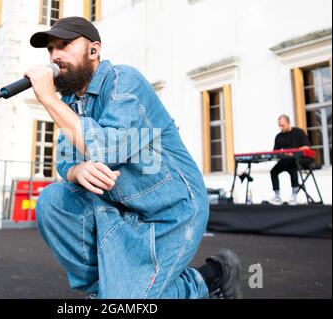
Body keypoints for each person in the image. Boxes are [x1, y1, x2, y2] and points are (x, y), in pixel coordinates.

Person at [26, 17, 242, 299]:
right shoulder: (69, 105)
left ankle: (209, 278)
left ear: (94, 50)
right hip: (120, 208)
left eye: (64, 45)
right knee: (53, 202)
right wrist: (76, 171)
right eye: (51, 49)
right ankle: (108, 291)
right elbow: (65, 160)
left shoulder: (124, 81)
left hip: (171, 210)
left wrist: (48, 99)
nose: (55, 56)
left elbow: (108, 148)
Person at [269, 115, 310, 206]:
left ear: (288, 123)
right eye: (279, 125)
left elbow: (306, 147)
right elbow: (275, 151)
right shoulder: (278, 136)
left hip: (298, 160)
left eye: (282, 125)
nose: (281, 128)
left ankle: (294, 194)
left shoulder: (299, 132)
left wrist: (294, 152)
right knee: (273, 172)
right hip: (285, 160)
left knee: (292, 166)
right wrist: (281, 153)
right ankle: (277, 196)